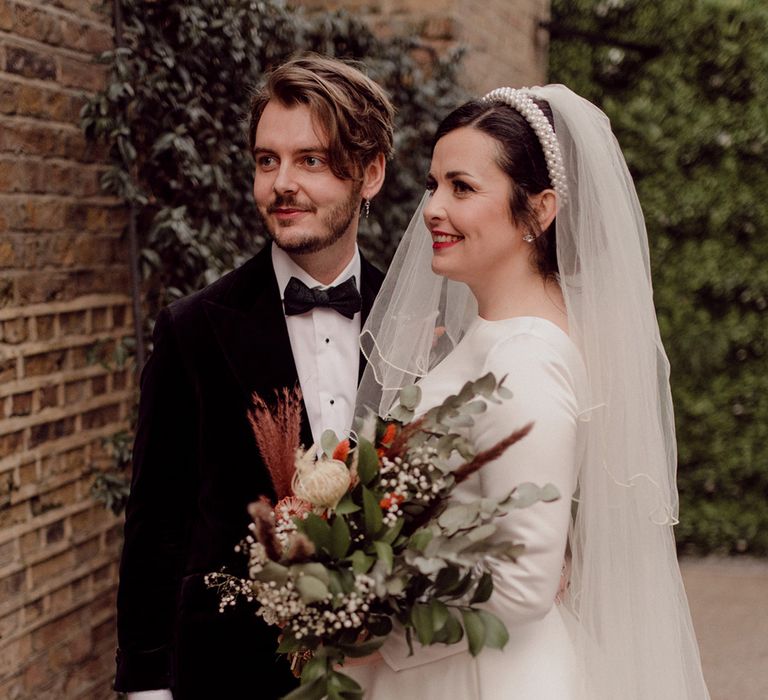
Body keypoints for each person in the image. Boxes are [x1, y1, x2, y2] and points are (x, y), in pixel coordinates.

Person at [351, 86, 710, 698]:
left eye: (462, 187)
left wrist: (367, 632)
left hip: (481, 676)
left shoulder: (529, 364)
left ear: (539, 211)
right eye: (434, 185)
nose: (434, 208)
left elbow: (520, 586)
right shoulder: (488, 335)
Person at [114, 54, 395, 700]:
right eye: (267, 160)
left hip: (390, 674)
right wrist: (146, 686)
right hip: (229, 673)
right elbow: (156, 524)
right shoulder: (193, 329)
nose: (281, 183)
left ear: (371, 172)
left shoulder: (421, 329)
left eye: (311, 160)